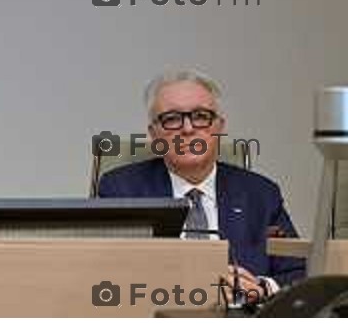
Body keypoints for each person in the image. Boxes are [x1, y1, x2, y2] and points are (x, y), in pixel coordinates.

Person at [98, 70, 305, 301]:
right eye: (172, 119)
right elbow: (105, 275)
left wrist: (262, 288)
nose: (187, 129)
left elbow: (299, 272)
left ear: (219, 127)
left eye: (200, 116)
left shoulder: (261, 194)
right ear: (154, 135)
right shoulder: (121, 190)